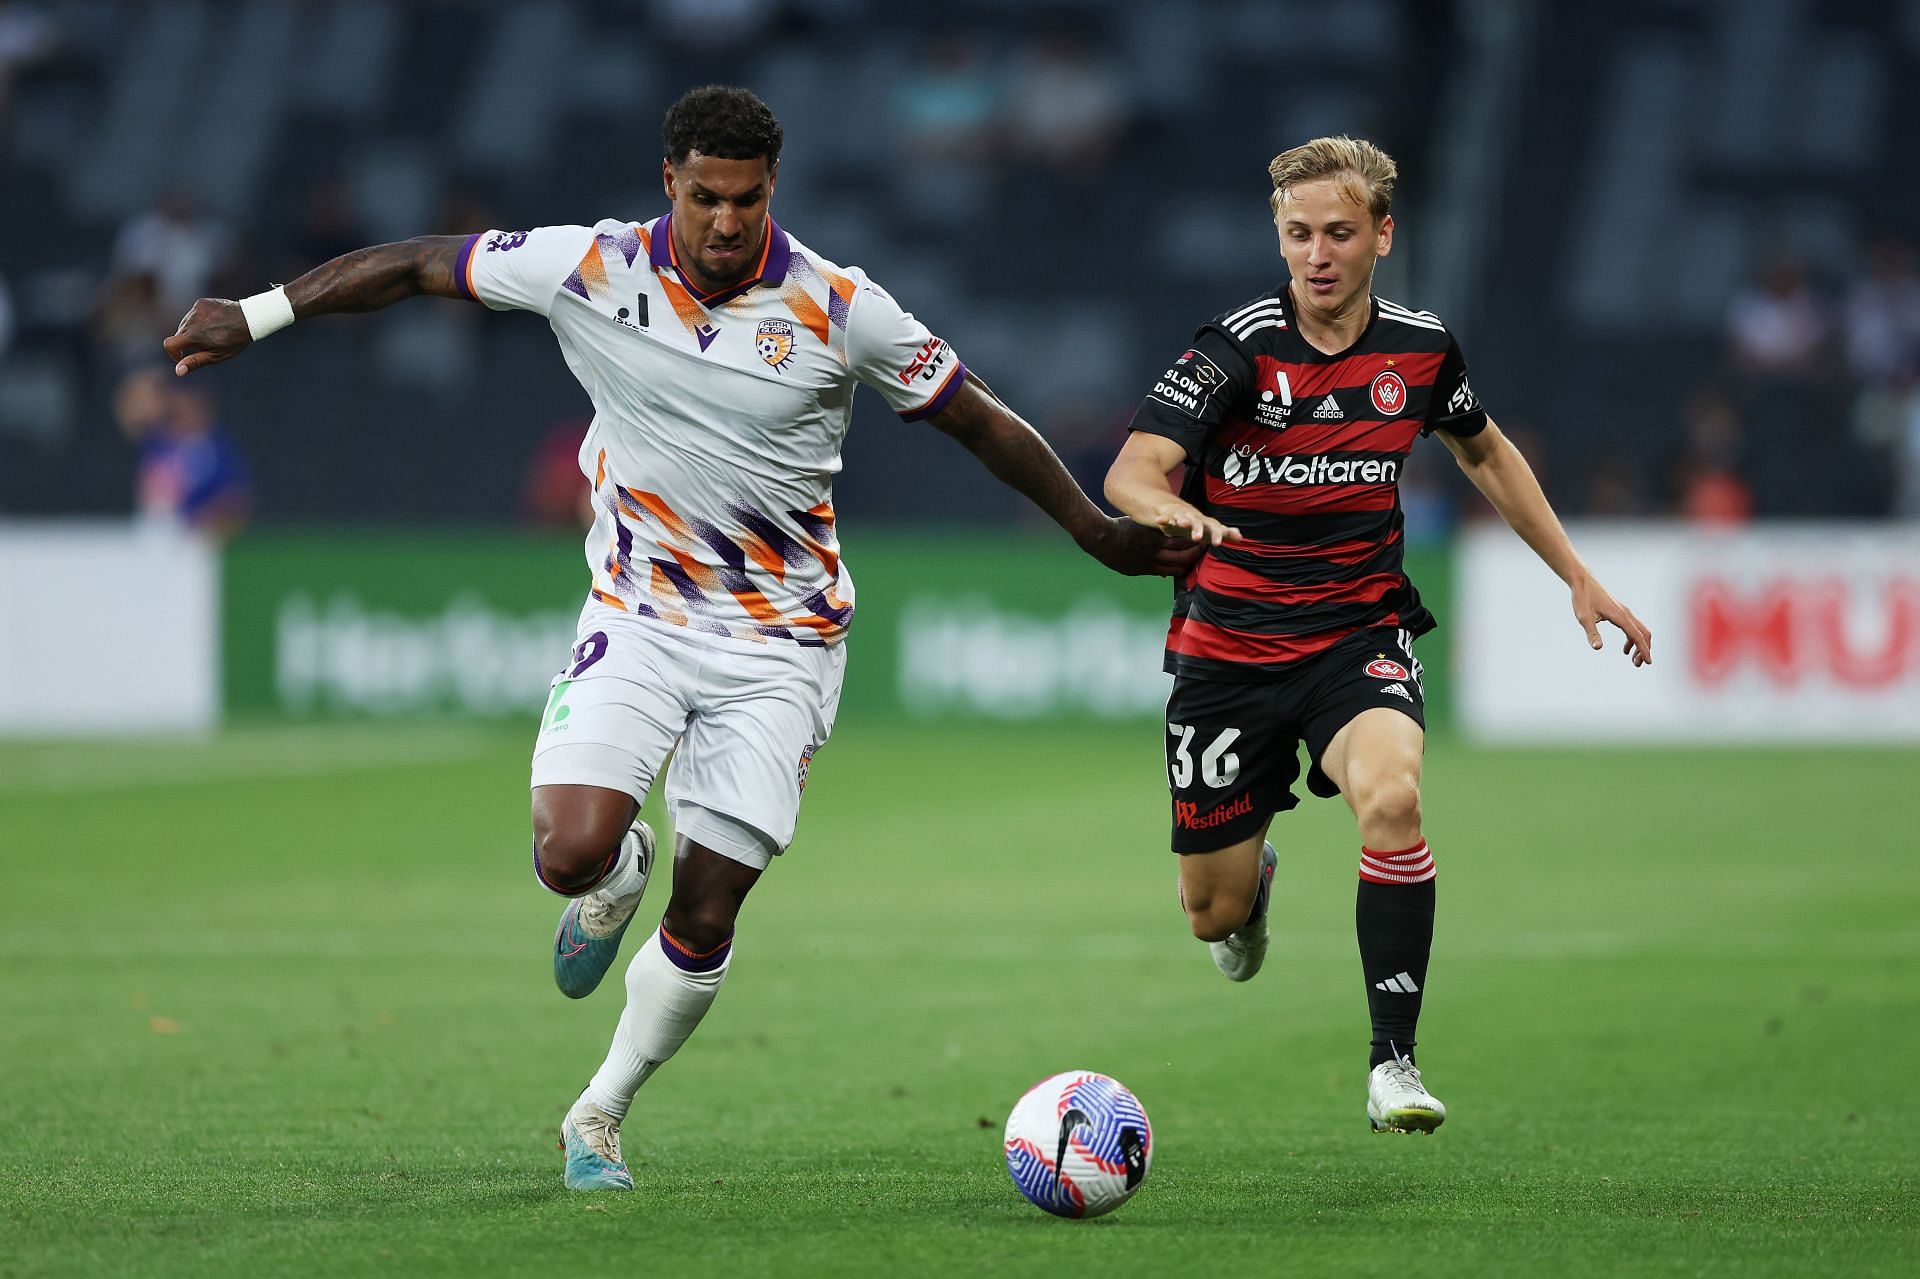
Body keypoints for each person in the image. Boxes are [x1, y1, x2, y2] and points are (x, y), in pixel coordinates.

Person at [163, 85, 1191, 1190]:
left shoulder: (839, 308)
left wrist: (1093, 530)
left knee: (710, 904)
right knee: (570, 852)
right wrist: (259, 313)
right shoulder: (588, 267)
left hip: (780, 647)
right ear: (670, 183)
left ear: (771, 192)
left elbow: (976, 413)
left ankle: (600, 1111)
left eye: (746, 200)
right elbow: (422, 262)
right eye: (705, 197)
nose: (724, 222)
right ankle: (616, 875)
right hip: (639, 616)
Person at [1103, 136, 1651, 1135]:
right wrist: (1171, 511)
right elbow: (1133, 469)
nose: (1317, 253)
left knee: (1394, 794)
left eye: (1339, 233)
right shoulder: (1235, 348)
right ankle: (1252, 876)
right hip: (1226, 652)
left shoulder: (1421, 349)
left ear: (1383, 236)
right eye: (1298, 234)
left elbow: (1486, 453)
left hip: (1357, 635)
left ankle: (1392, 1060)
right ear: (1280, 239)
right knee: (1213, 916)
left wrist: (1578, 573)